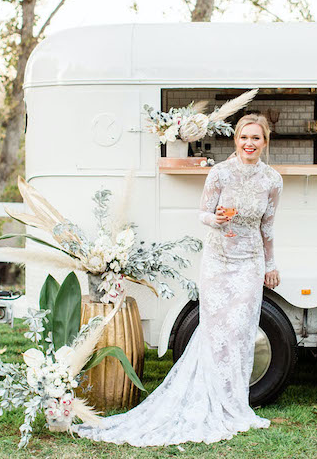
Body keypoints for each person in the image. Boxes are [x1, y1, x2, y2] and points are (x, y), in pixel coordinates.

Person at [74, 114, 283, 446]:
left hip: (250, 263)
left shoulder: (272, 180)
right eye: (244, 137)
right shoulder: (220, 173)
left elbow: (268, 227)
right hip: (218, 261)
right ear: (236, 140)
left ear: (265, 142)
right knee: (216, 330)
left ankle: (235, 404)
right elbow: (202, 213)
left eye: (256, 138)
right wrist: (214, 218)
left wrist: (271, 264)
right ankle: (211, 398)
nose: (249, 143)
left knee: (241, 332)